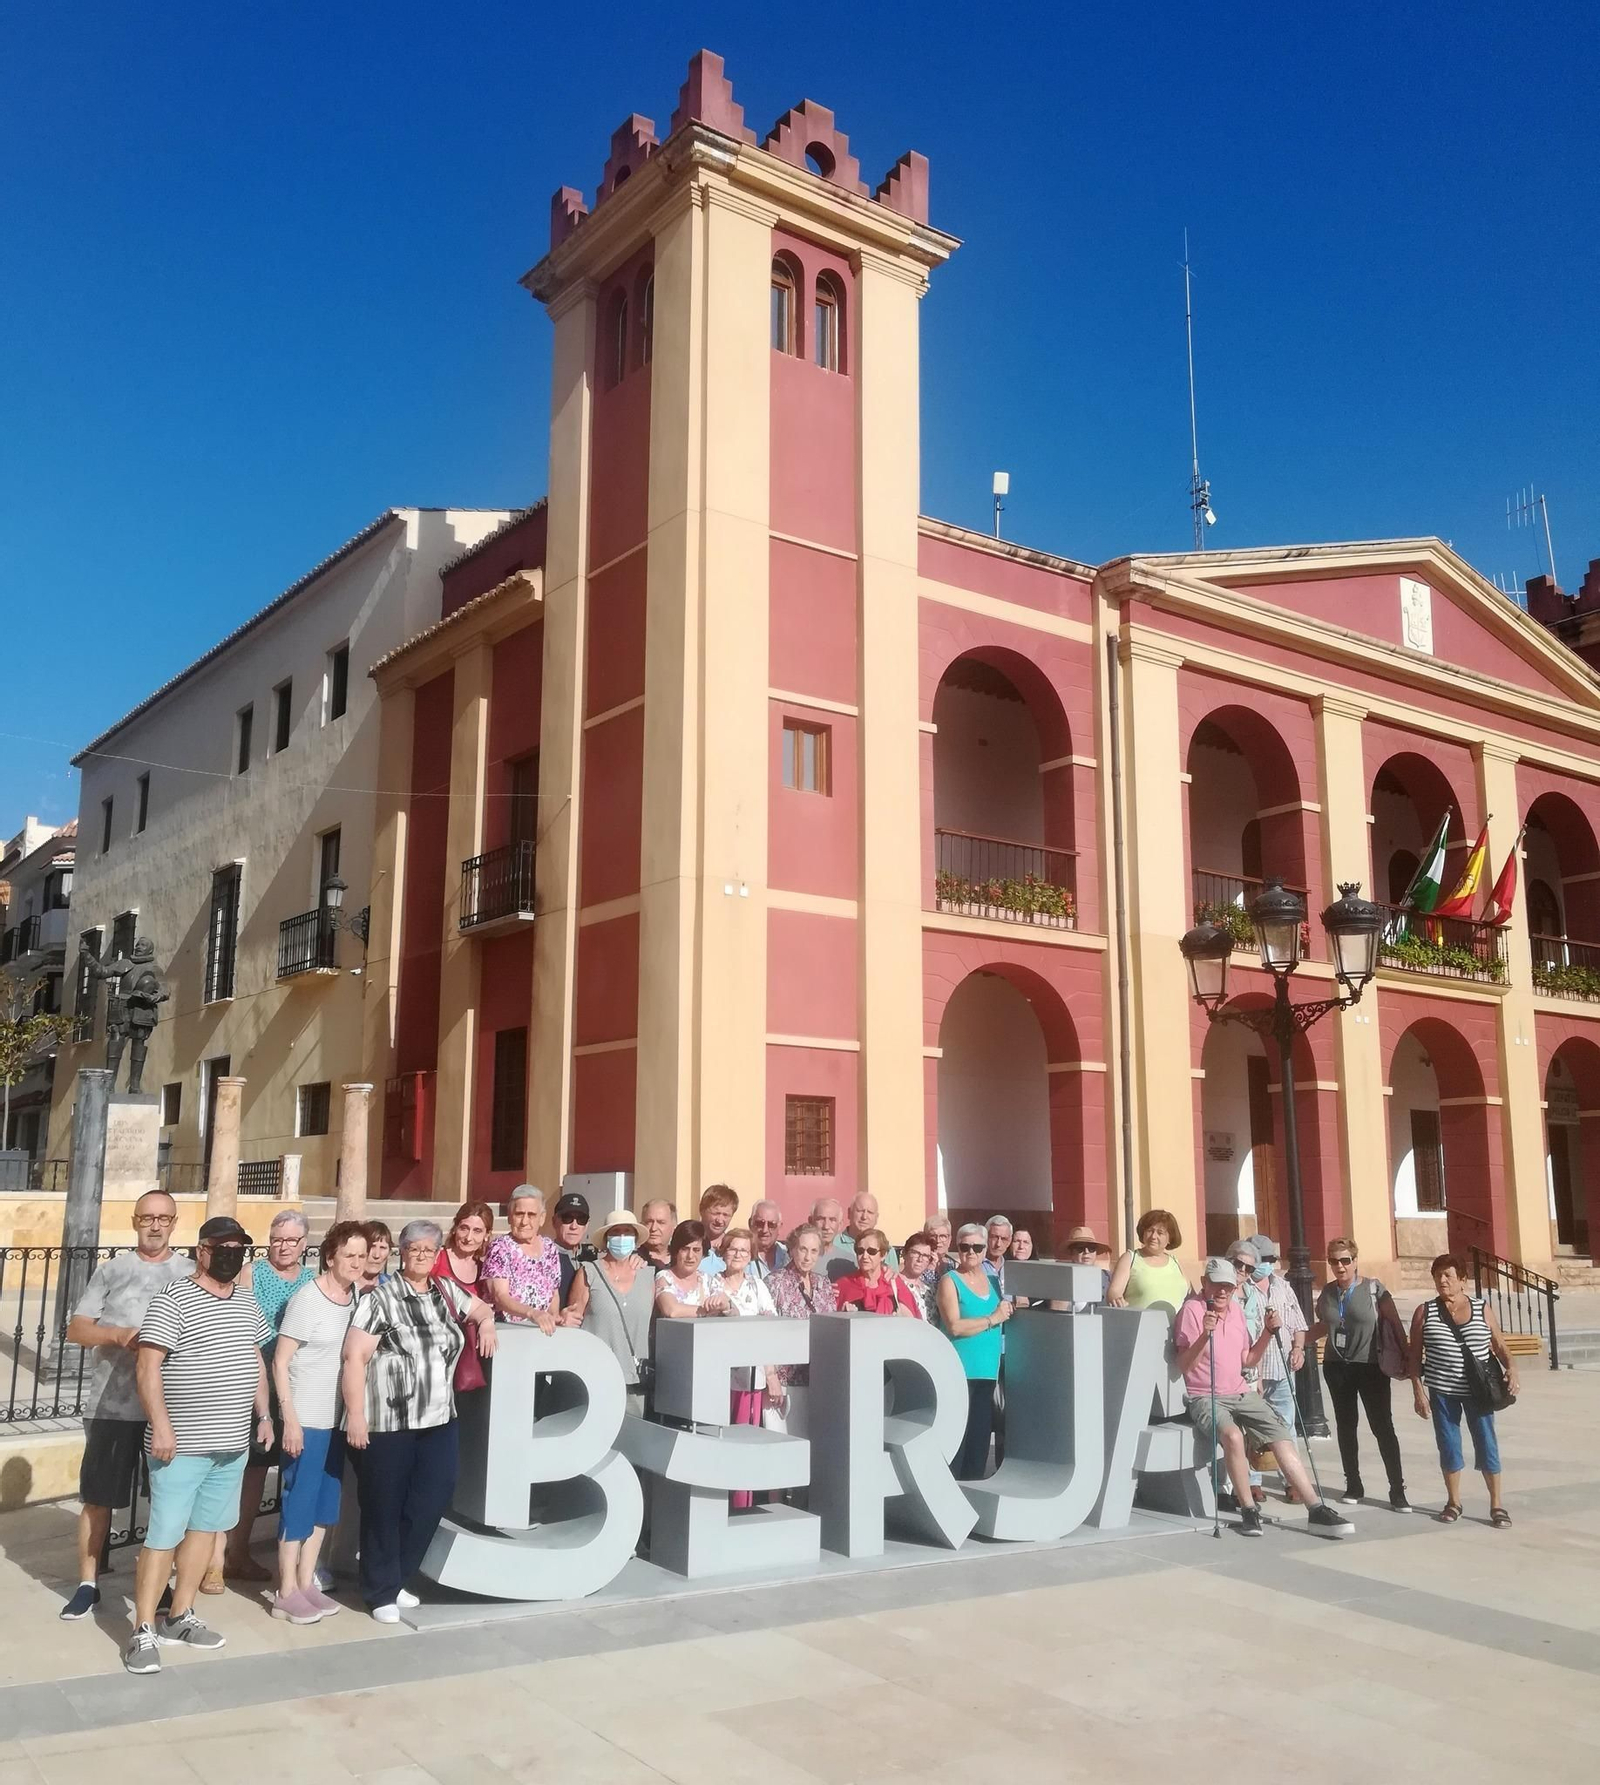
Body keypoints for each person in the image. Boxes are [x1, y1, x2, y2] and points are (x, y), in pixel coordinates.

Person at [123, 1216, 274, 1676]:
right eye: (222, 1247)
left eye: (239, 1248)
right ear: (202, 1250)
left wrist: (264, 1415)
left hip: (231, 1443)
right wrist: (162, 1426)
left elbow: (255, 1360)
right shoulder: (173, 1299)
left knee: (206, 1530)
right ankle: (143, 1629)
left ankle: (179, 1616)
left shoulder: (247, 1301)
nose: (231, 1255)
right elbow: (148, 1367)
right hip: (181, 1445)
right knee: (164, 1535)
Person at [342, 1219, 497, 1621]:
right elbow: (355, 1357)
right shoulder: (381, 1298)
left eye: (430, 1249)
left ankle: (398, 1577)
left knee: (432, 1497)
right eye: (415, 1249)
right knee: (383, 1506)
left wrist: (487, 1322)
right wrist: (355, 1415)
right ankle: (378, 1591)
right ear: (402, 1252)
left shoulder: (444, 1291)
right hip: (389, 1420)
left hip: (439, 1417)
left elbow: (479, 1306)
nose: (423, 1256)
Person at [58, 1189, 192, 1622]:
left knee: (168, 1501)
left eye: (164, 1218)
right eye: (147, 1217)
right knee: (99, 1498)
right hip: (111, 1405)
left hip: (169, 1410)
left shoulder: (190, 1272)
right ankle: (88, 1582)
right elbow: (77, 1329)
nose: (155, 1225)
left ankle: (160, 1581)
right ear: (135, 1221)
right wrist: (117, 1335)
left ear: (174, 1223)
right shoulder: (112, 1270)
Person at [1174, 1257, 1353, 1538]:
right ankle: (1248, 1510)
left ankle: (1316, 1508)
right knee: (1233, 1436)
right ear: (1204, 1283)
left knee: (1281, 1433)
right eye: (1217, 1285)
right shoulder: (1192, 1311)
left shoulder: (1235, 1311)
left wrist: (1269, 1332)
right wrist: (1203, 1336)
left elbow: (1248, 1358)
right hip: (1204, 1396)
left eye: (1229, 1287)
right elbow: (1184, 1365)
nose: (1223, 1292)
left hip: (1241, 1391)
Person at [271, 1220, 368, 1623]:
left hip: (336, 1419)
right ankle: (286, 1590)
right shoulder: (307, 1300)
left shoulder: (356, 1299)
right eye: (350, 1255)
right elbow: (280, 1360)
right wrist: (288, 1417)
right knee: (299, 1501)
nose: (357, 1263)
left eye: (363, 1256)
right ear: (330, 1256)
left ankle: (307, 1581)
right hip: (306, 1417)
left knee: (325, 1504)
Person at [224, 1208, 315, 1584]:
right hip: (254, 1382)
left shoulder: (313, 1279)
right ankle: (231, 1551)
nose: (282, 1247)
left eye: (291, 1240)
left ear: (304, 1244)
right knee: (247, 1469)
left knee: (285, 1470)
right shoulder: (253, 1272)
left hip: (296, 1387)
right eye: (276, 1239)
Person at [1409, 1252, 1518, 1527]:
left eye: (1448, 1275)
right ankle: (1453, 1501)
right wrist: (1418, 1392)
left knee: (1486, 1442)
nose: (1442, 1281)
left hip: (1478, 1392)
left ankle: (1496, 1505)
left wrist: (1512, 1368)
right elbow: (1414, 1357)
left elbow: (1500, 1345)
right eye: (1438, 1276)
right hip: (1442, 1391)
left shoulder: (1482, 1308)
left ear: (1463, 1281)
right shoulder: (1425, 1311)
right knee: (1448, 1445)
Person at [1308, 1238, 1410, 1511]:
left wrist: (1409, 1362)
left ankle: (1397, 1489)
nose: (1339, 1266)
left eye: (1345, 1260)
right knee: (1346, 1425)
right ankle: (1353, 1484)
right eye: (1334, 1261)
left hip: (1371, 1366)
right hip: (1336, 1366)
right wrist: (1298, 1342)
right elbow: (1325, 1326)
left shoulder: (1374, 1290)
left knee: (1382, 1427)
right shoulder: (1328, 1293)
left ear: (1355, 1261)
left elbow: (1396, 1325)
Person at [937, 1224, 1012, 1479]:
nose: (971, 1252)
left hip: (987, 1371)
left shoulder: (992, 1280)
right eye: (964, 1247)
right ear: (957, 1249)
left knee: (980, 1439)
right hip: (960, 1370)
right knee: (959, 1440)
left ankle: (974, 1494)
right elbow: (955, 1326)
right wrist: (992, 1319)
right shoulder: (950, 1281)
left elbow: (1005, 1312)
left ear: (984, 1250)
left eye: (977, 1247)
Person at [716, 1229, 781, 1506]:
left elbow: (770, 1332)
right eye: (733, 1249)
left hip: (749, 1379)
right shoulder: (710, 1283)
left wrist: (771, 1374)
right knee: (719, 1442)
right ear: (723, 1252)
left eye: (744, 1250)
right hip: (717, 1378)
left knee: (744, 1443)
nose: (738, 1255)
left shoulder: (758, 1287)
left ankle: (742, 1505)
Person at [568, 1210, 656, 1412]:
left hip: (636, 1381)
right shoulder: (588, 1272)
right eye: (616, 1232)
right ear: (607, 1238)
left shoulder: (647, 1275)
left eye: (628, 1232)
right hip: (595, 1377)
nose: (622, 1237)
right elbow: (573, 1321)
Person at [1242, 1233, 1307, 1491]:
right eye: (1262, 1259)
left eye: (1270, 1259)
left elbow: (1298, 1323)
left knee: (1286, 1425)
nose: (1266, 1264)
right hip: (1253, 1370)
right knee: (1252, 1427)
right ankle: (1252, 1481)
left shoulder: (1283, 1286)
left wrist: (1299, 1348)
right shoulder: (1242, 1289)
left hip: (1282, 1368)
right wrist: (1253, 1373)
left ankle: (1291, 1480)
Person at [765, 1224, 836, 1438]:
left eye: (814, 1251)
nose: (807, 1256)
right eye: (803, 1249)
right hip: (784, 1381)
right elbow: (764, 1333)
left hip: (817, 1379)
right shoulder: (775, 1282)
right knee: (783, 1443)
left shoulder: (823, 1284)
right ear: (792, 1249)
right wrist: (771, 1376)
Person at [482, 1186, 562, 1331]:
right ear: (509, 1216)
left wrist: (554, 1317)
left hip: (541, 1331)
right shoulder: (500, 1248)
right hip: (508, 1331)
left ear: (542, 1218)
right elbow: (500, 1297)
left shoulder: (550, 1248)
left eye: (531, 1215)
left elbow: (553, 1294)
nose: (524, 1221)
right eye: (519, 1214)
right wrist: (532, 1313)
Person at [1108, 1209, 1189, 1312]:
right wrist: (1117, 1300)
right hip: (1140, 1326)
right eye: (1150, 1231)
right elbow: (1114, 1292)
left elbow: (1190, 1297)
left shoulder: (1176, 1263)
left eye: (1160, 1233)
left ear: (1170, 1238)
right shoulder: (1130, 1258)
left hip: (1176, 1327)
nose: (1153, 1236)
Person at [655, 1220, 730, 1317]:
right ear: (676, 1251)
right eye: (685, 1249)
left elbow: (727, 1307)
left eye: (696, 1250)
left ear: (703, 1254)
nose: (690, 1256)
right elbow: (671, 1310)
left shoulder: (708, 1281)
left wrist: (725, 1305)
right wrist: (707, 1312)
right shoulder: (664, 1277)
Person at [835, 1229, 920, 1315]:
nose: (865, 1256)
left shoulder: (894, 1283)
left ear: (883, 1255)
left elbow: (913, 1320)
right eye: (860, 1251)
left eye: (871, 1251)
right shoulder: (844, 1284)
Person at [432, 1200, 494, 1297]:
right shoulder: (436, 1259)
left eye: (477, 1231)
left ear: (486, 1235)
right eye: (464, 1228)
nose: (468, 1238)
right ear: (455, 1228)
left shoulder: (485, 1271)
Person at [550, 1190, 593, 1310]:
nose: (574, 1226)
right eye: (567, 1218)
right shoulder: (544, 1259)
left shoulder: (593, 1259)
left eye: (581, 1219)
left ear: (587, 1225)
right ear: (554, 1221)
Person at [1064, 1226, 1112, 1309]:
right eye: (1080, 1248)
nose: (1086, 1252)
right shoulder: (1063, 1279)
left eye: (1091, 1248)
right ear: (1072, 1252)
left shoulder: (1108, 1278)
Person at [696, 1185, 740, 1274]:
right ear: (702, 1210)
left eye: (725, 1215)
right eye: (715, 1213)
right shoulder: (688, 1241)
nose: (720, 1220)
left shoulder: (734, 1248)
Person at [896, 1233, 936, 1320]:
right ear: (904, 1254)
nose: (920, 1259)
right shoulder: (893, 1284)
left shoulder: (931, 1288)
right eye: (915, 1253)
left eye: (925, 1256)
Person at [749, 1200, 788, 1278]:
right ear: (750, 1224)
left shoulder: (788, 1255)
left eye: (771, 1225)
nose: (765, 1230)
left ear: (779, 1227)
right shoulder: (741, 1255)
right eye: (760, 1224)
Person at [359, 1220, 394, 1293]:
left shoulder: (394, 1287)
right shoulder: (344, 1287)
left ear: (389, 1253)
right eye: (372, 1246)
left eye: (383, 1248)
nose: (376, 1255)